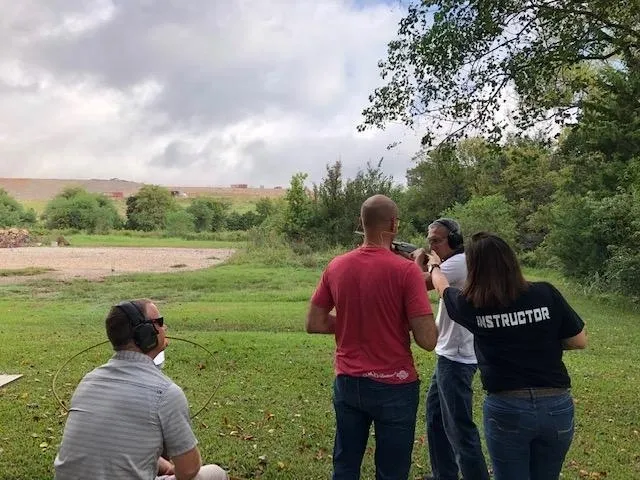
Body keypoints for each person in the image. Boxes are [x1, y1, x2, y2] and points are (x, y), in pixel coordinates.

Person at [427, 232, 587, 480]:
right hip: (556, 405)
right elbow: (579, 340)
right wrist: (536, 342)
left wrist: (435, 265)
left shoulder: (472, 305)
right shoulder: (545, 292)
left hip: (507, 407)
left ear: (475, 268)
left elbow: (442, 288)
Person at [307, 194, 438, 480]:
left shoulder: (336, 265)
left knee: (345, 464)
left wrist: (353, 324)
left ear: (361, 223)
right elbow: (428, 340)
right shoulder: (407, 271)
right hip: (396, 385)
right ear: (393, 224)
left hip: (348, 382)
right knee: (392, 470)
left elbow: (315, 322)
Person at [54, 299, 228, 480]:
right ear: (145, 333)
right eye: (159, 322)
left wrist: (163, 465)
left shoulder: (88, 381)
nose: (165, 327)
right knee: (215, 473)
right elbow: (188, 471)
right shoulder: (165, 394)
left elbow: (112, 444)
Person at [411, 219, 489, 480]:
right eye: (429, 240)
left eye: (437, 240)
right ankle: (444, 474)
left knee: (459, 427)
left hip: (456, 358)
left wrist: (419, 261)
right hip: (449, 353)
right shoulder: (452, 263)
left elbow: (417, 284)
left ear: (454, 241)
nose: (431, 244)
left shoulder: (456, 263)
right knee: (435, 418)